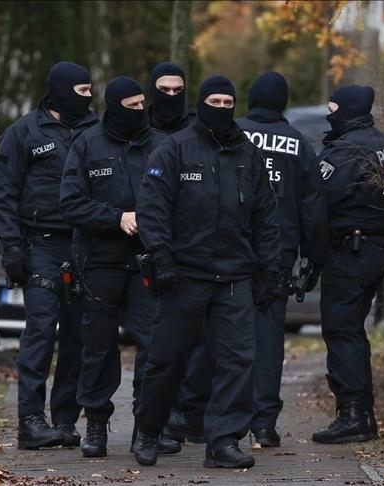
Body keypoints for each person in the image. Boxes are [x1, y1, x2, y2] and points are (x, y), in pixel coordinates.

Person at [130, 75, 281, 469]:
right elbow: (152, 209)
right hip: (184, 275)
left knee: (237, 361)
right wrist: (161, 257)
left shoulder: (248, 155)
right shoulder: (174, 150)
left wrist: (269, 269)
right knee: (167, 359)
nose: (222, 108)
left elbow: (266, 217)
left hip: (234, 276)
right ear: (201, 104)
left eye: (229, 102)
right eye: (215, 101)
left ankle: (224, 441)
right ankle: (149, 430)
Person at [59, 76, 180, 458]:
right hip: (100, 260)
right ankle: (96, 423)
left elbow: (181, 199)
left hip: (148, 259)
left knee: (154, 344)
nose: (141, 111)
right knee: (97, 345)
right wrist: (116, 218)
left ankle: (149, 427)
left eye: (143, 104)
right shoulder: (87, 144)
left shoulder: (162, 145)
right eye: (132, 106)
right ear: (114, 108)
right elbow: (71, 203)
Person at [0, 61, 98, 450]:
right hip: (41, 245)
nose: (89, 97)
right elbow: (3, 194)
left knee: (77, 336)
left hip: (84, 245)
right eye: (83, 91)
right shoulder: (23, 133)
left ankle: (65, 418)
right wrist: (12, 247)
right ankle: (31, 420)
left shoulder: (96, 131)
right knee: (40, 330)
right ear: (62, 91)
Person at [236, 71, 329, 447]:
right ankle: (263, 423)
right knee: (269, 338)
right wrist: (314, 257)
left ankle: (220, 419)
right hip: (278, 253)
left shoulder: (232, 133)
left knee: (224, 335)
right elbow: (313, 206)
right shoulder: (298, 144)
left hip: (230, 250)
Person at [311, 85, 384, 444]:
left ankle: (353, 416)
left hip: (350, 250)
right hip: (374, 246)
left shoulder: (347, 150)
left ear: (347, 110)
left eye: (332, 109)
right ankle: (361, 415)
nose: (328, 115)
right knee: (352, 331)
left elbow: (317, 196)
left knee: (342, 331)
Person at [146, 60, 211, 446]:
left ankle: (186, 415)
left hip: (191, 251)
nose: (171, 96)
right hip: (146, 247)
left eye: (177, 90)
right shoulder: (138, 126)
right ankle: (150, 424)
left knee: (196, 343)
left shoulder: (198, 130)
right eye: (164, 90)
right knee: (158, 345)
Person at [147, 61, 195, 134]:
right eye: (164, 89)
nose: (171, 94)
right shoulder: (138, 124)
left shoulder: (197, 127)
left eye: (178, 90)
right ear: (152, 89)